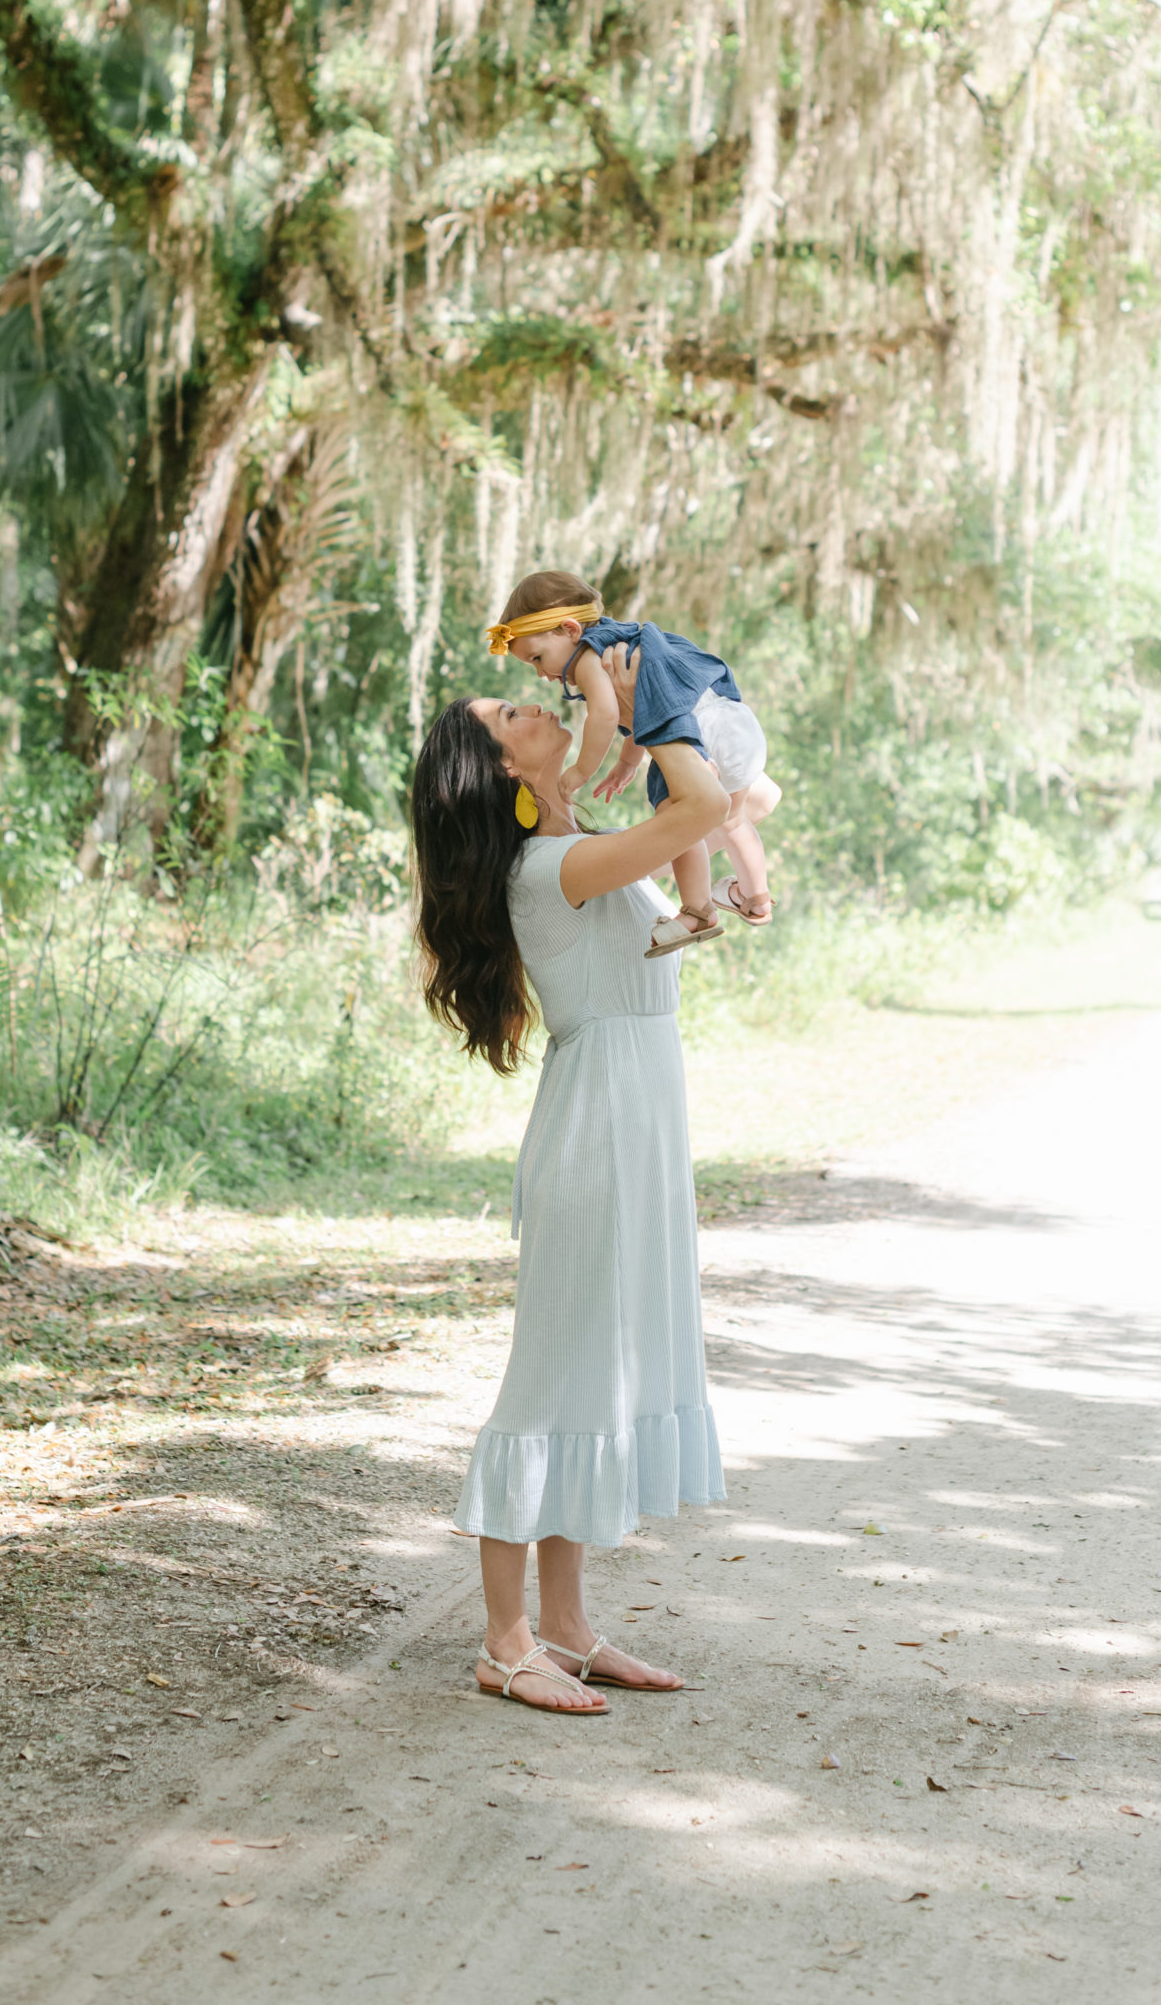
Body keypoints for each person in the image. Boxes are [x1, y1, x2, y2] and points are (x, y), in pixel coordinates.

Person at [410, 646, 730, 1714]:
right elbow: (698, 805)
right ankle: (504, 1642)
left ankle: (570, 1626)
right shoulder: (547, 871)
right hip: (593, 1133)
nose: (542, 705)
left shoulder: (580, 847)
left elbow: (686, 832)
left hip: (634, 1118)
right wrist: (668, 699)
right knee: (551, 1380)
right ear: (505, 770)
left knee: (601, 1371)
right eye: (514, 711)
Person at [486, 568, 781, 955]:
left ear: (570, 630)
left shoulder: (591, 656)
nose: (542, 675)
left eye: (539, 658)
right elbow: (646, 706)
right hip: (733, 720)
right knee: (733, 820)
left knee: (678, 820)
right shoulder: (621, 641)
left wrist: (582, 771)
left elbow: (608, 715)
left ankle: (697, 910)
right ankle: (755, 896)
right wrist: (627, 764)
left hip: (698, 729)